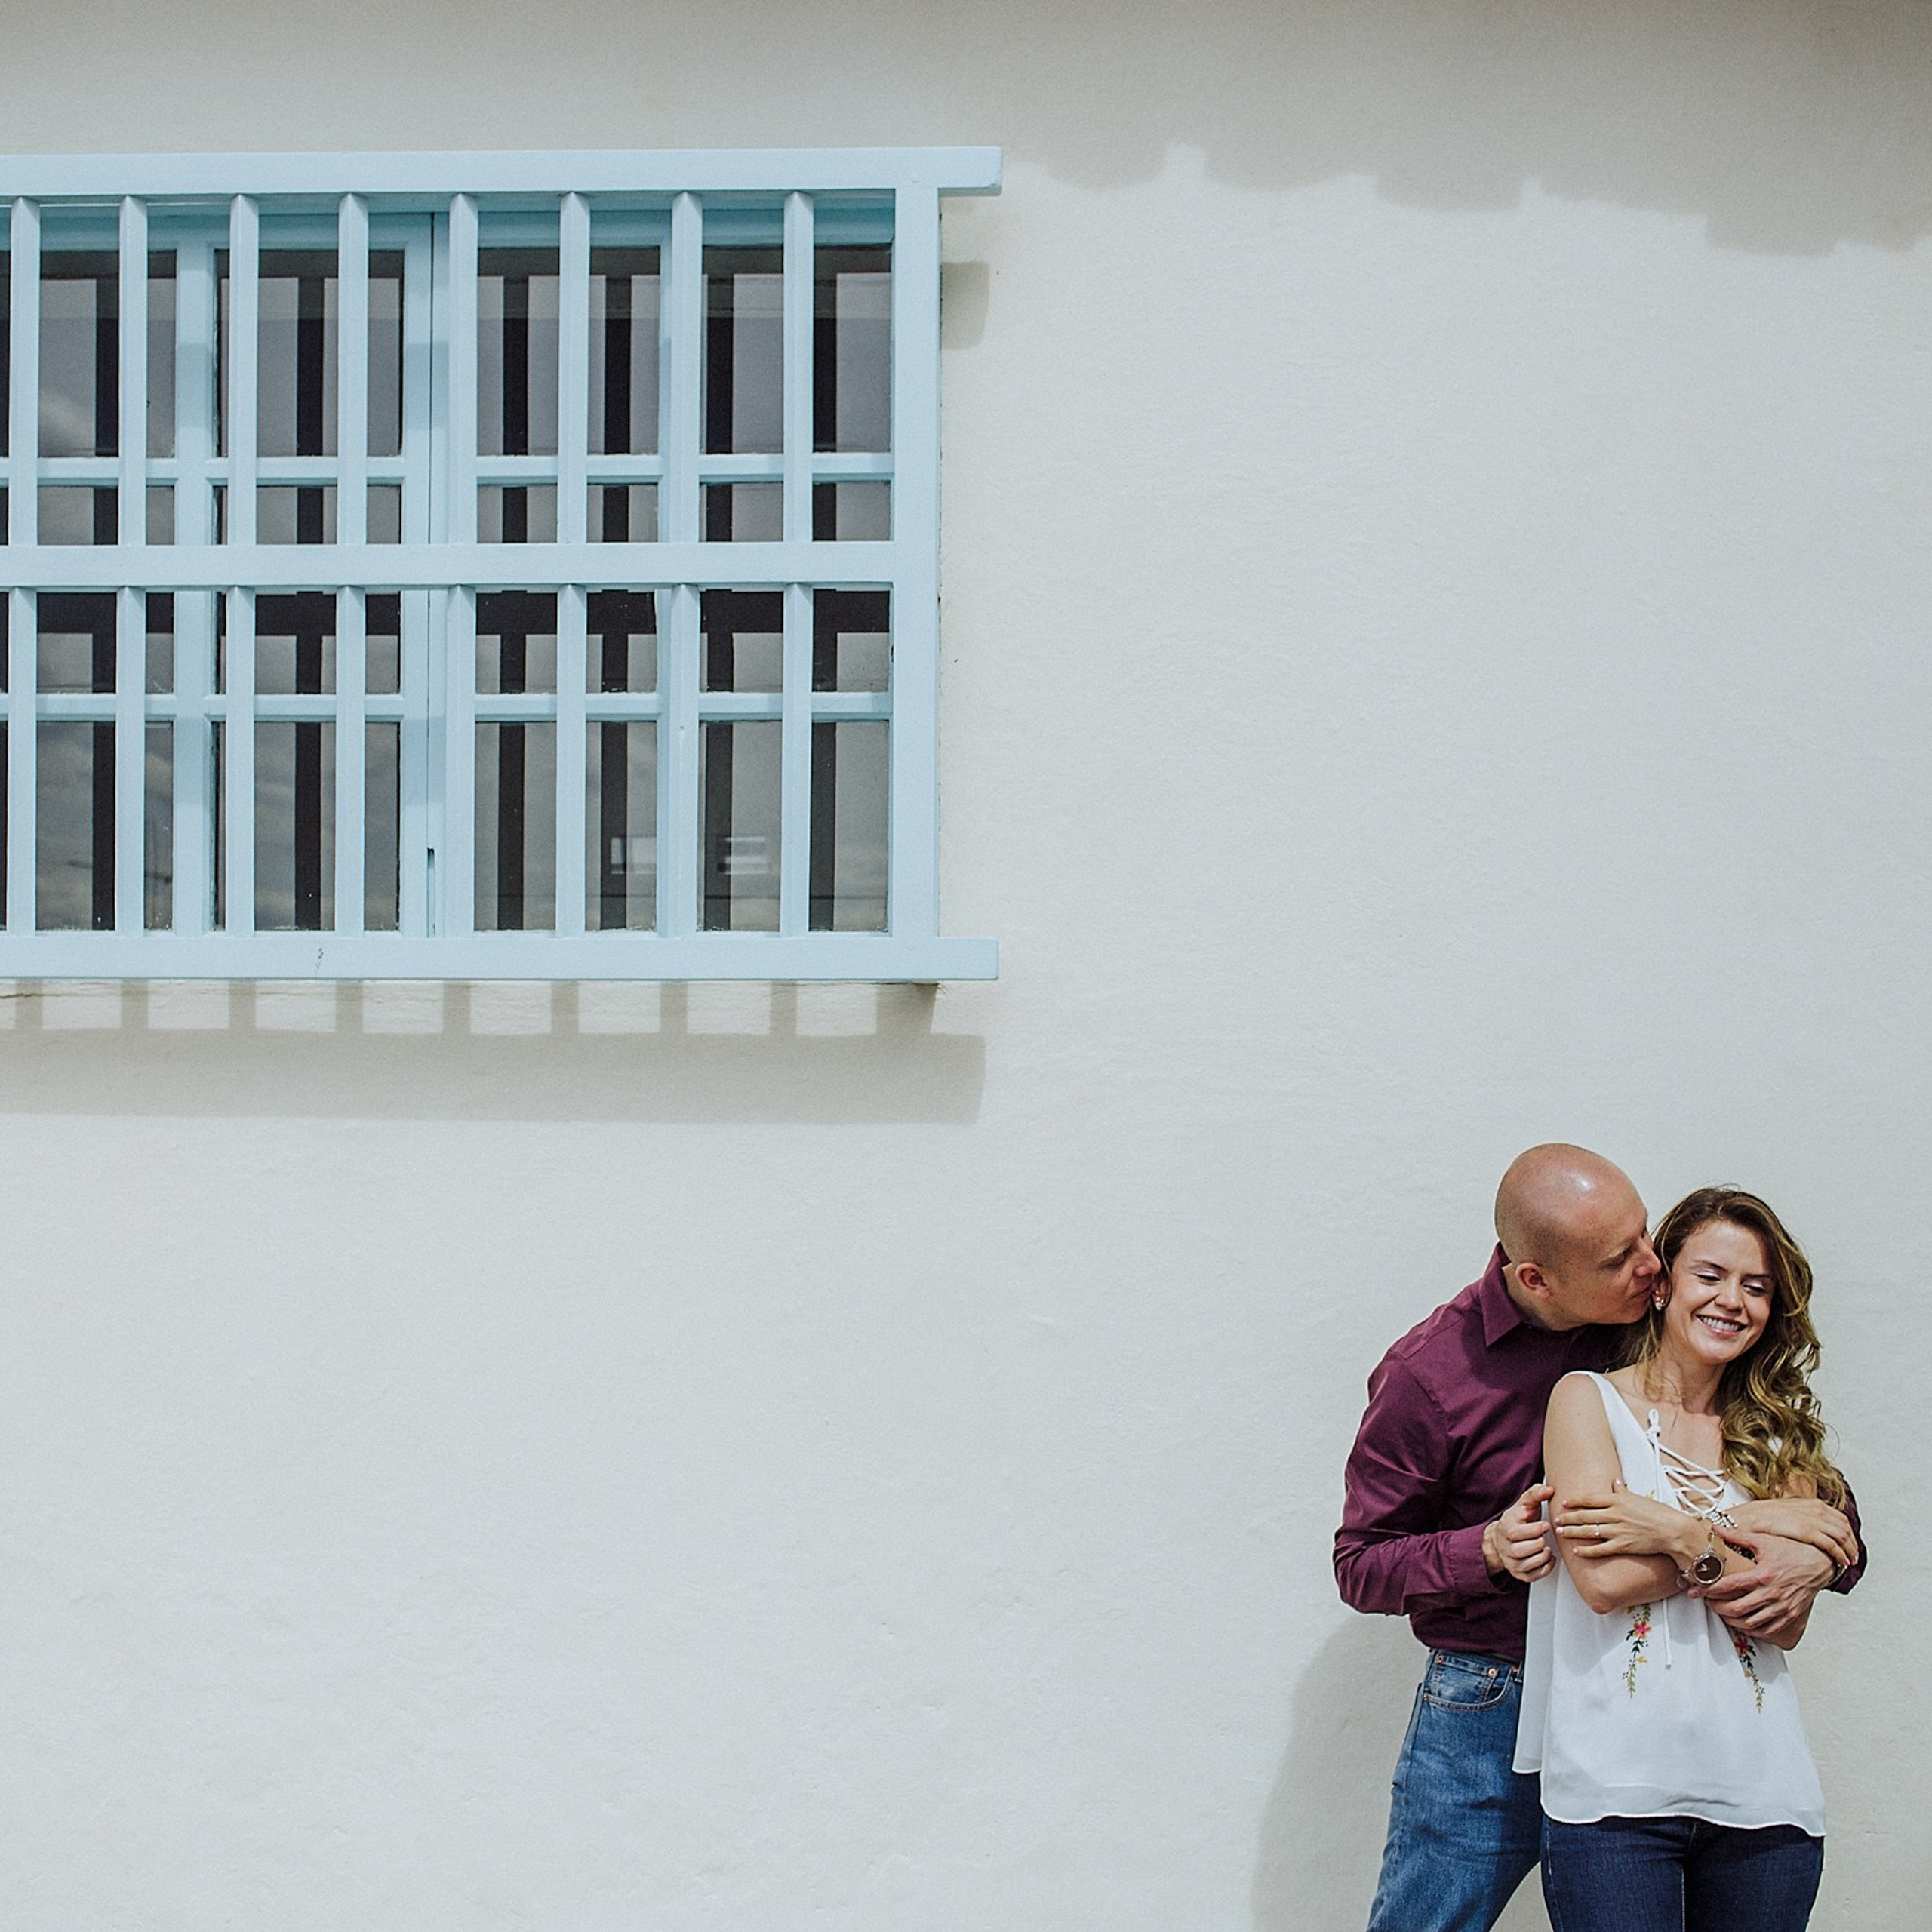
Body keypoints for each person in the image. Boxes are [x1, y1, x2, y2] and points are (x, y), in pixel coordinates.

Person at [1334, 1146, 1863, 1932]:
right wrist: (1485, 1549)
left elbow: (1817, 1513)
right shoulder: (1429, 1374)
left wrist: (1811, 1551)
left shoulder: (1669, 1320)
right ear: (1537, 1279)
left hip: (1662, 1700)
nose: (1651, 1265)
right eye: (1622, 1258)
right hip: (1497, 1691)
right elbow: (1359, 1563)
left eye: (1646, 1235)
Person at [1515, 1187, 1853, 1930]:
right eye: (1710, 1275)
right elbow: (1602, 1581)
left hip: (1764, 1798)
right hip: (1614, 1797)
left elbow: (1781, 1616)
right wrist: (1740, 1523)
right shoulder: (1586, 1401)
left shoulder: (1777, 1437)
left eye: (1755, 1286)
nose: (1731, 1300)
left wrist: (1668, 1529)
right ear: (1664, 1284)